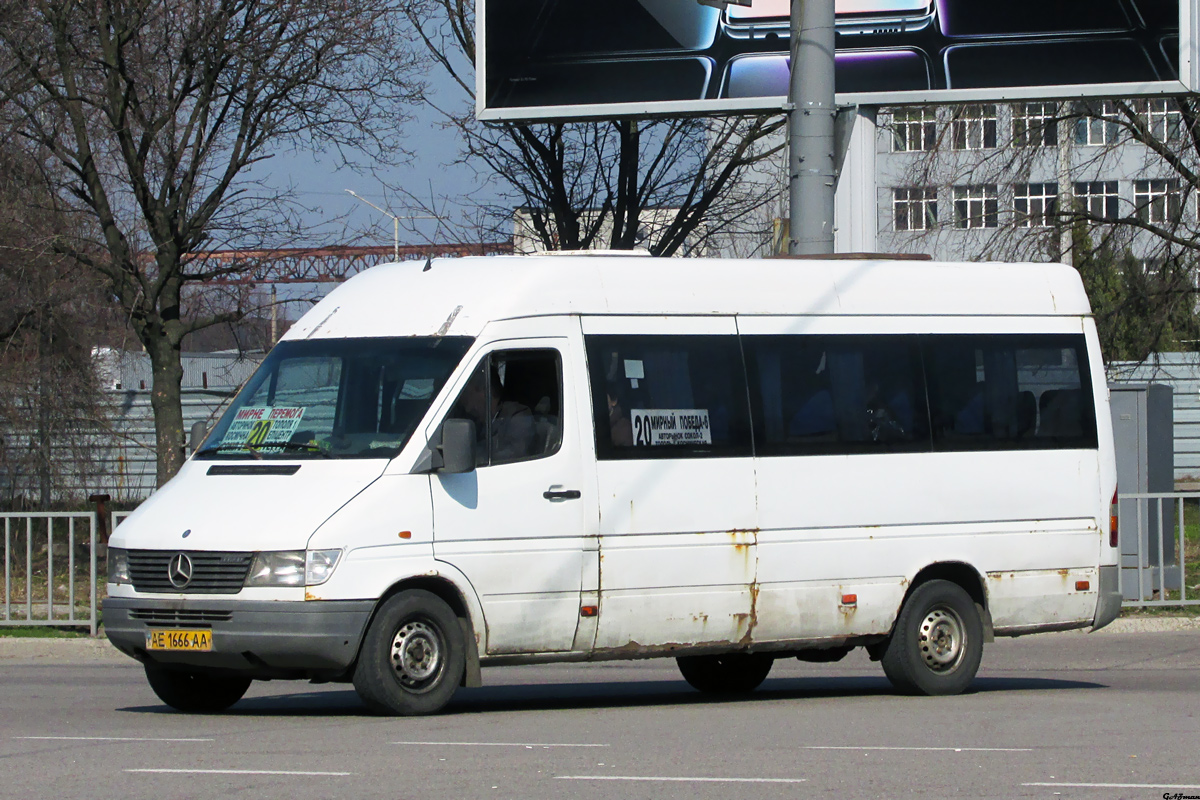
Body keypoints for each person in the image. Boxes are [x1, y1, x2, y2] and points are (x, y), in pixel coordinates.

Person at [457, 367, 535, 463]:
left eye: (467, 400)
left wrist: (476, 459)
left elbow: (514, 454)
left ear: (485, 391)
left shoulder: (518, 417)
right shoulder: (478, 424)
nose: (468, 409)